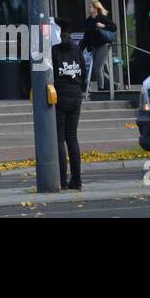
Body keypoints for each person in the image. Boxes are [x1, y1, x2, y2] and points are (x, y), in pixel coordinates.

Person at [52, 18, 86, 189]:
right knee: (72, 138)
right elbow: (84, 73)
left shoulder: (54, 50)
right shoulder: (77, 49)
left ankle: (62, 180)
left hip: (60, 96)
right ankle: (77, 180)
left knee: (59, 139)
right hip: (76, 95)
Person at [82, 0, 119, 98]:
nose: (88, 8)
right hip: (93, 47)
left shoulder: (102, 18)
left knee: (97, 68)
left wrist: (103, 26)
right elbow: (86, 36)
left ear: (95, 8)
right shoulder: (88, 21)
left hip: (103, 45)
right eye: (89, 7)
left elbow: (114, 27)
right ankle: (114, 85)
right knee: (99, 70)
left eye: (90, 7)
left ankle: (100, 89)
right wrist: (81, 48)